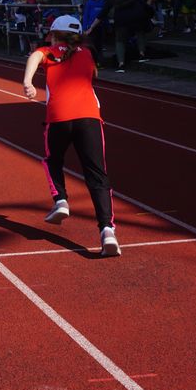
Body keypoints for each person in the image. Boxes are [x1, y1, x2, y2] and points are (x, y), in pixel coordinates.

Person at [21, 15, 119, 257]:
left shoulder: (49, 52)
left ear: (54, 34)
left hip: (58, 118)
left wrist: (28, 81)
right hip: (89, 118)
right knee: (97, 175)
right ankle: (107, 230)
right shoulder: (88, 53)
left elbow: (35, 55)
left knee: (52, 160)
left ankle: (61, 200)